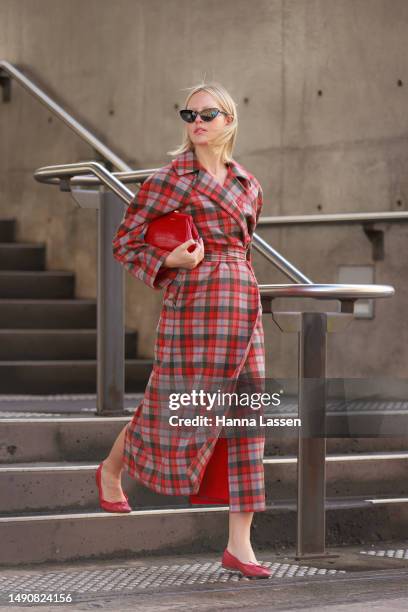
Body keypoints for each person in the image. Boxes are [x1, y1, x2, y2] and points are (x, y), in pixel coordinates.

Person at [96, 82, 271, 579]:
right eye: (189, 113)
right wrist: (168, 260)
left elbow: (246, 248)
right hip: (194, 306)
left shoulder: (248, 184)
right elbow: (126, 240)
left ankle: (240, 545)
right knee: (172, 406)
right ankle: (112, 470)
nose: (197, 121)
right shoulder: (172, 178)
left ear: (229, 122)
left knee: (246, 422)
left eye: (208, 114)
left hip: (243, 308)